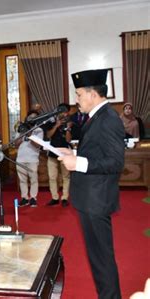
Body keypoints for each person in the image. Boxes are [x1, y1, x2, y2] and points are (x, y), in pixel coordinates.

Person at [59, 69, 125, 299]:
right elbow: (97, 151)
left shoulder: (108, 118)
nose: (76, 100)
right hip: (90, 197)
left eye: (78, 94)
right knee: (97, 257)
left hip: (97, 199)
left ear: (93, 94)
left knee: (101, 258)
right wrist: (73, 153)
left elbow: (115, 162)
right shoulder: (97, 116)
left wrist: (78, 163)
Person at [45, 103, 71, 207]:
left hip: (64, 153)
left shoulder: (69, 122)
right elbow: (48, 135)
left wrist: (68, 128)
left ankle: (64, 198)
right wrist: (56, 125)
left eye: (65, 112)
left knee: (66, 176)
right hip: (52, 153)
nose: (62, 113)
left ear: (67, 113)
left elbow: (68, 139)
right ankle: (54, 198)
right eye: (60, 111)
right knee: (52, 177)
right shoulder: (52, 122)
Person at [16, 110, 43, 207]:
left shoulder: (39, 130)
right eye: (30, 117)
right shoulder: (21, 129)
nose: (31, 119)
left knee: (33, 180)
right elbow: (16, 145)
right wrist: (22, 134)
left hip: (32, 159)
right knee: (22, 180)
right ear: (27, 118)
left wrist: (30, 135)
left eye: (34, 117)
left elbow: (37, 145)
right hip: (20, 159)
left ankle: (33, 198)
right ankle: (24, 198)